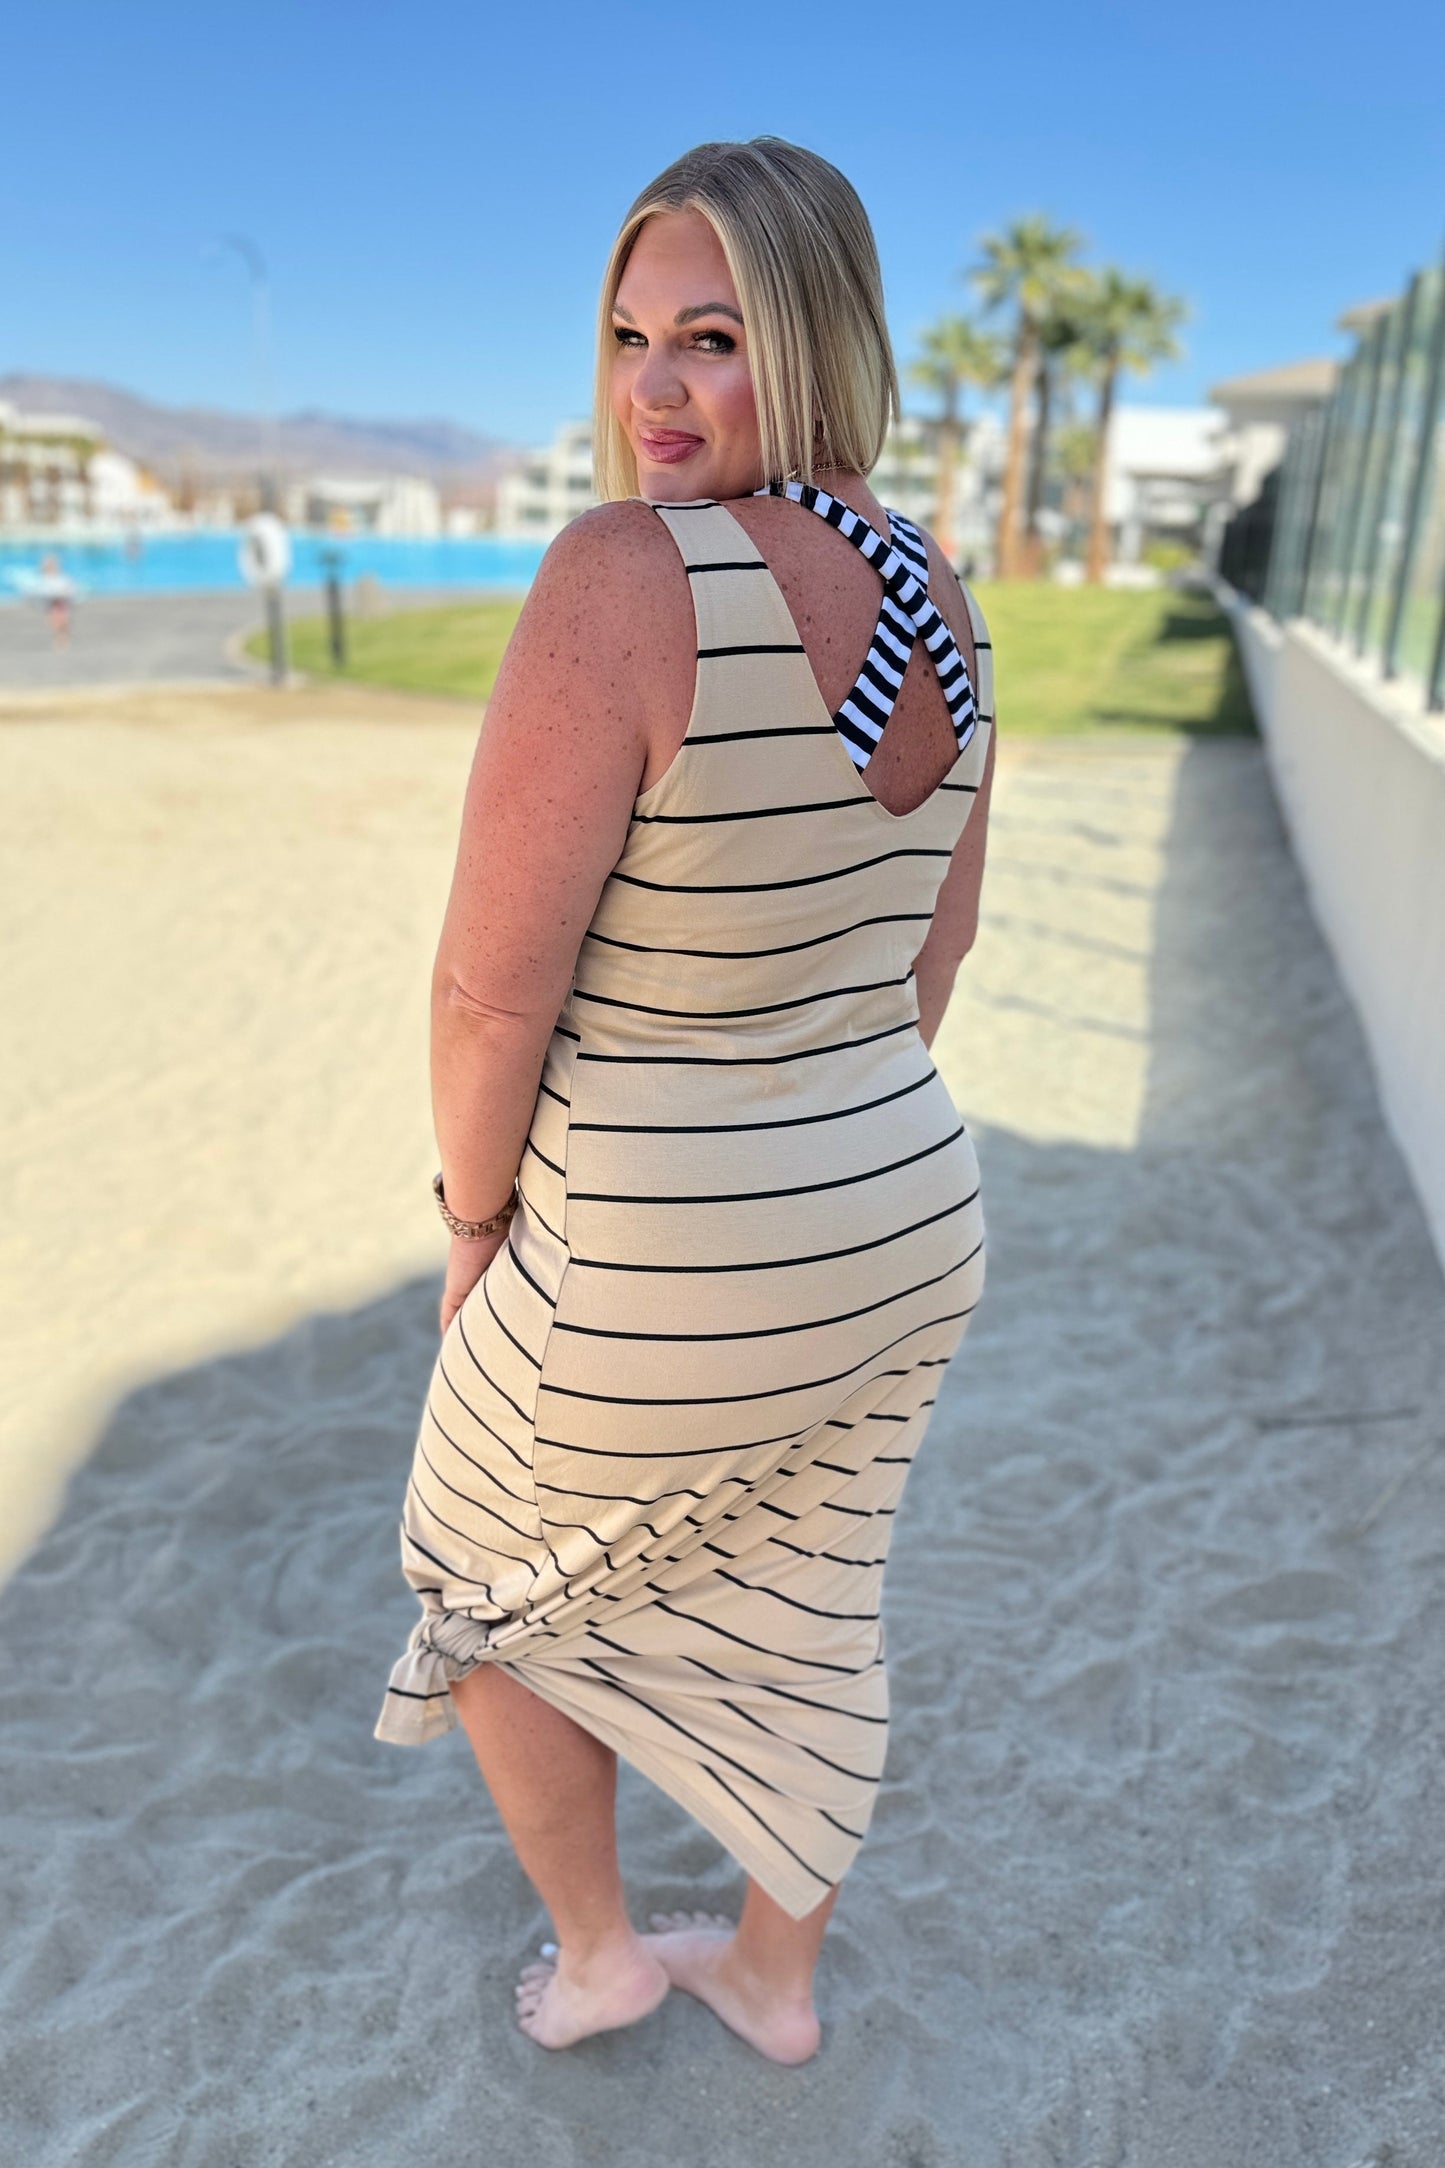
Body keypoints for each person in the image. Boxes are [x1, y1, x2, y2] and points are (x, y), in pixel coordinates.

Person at [375, 135, 997, 2063]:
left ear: (812, 341)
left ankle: (603, 1960)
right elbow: (933, 957)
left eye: (711, 339)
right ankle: (775, 1983)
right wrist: (817, 1130)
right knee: (812, 1597)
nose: (653, 389)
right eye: (630, 336)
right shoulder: (946, 596)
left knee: (475, 1581)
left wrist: (477, 1225)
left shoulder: (627, 574)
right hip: (901, 1208)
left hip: (654, 1242)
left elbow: (488, 993)